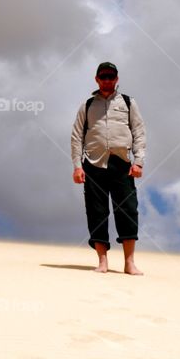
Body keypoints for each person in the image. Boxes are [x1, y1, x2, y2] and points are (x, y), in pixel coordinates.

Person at [71, 62, 146, 275]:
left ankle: (129, 263)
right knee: (97, 212)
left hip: (122, 164)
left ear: (117, 78)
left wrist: (138, 161)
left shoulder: (129, 103)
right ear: (97, 79)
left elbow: (139, 133)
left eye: (111, 77)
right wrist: (77, 166)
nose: (107, 80)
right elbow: (77, 136)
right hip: (93, 164)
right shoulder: (87, 105)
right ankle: (102, 261)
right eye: (103, 77)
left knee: (128, 210)